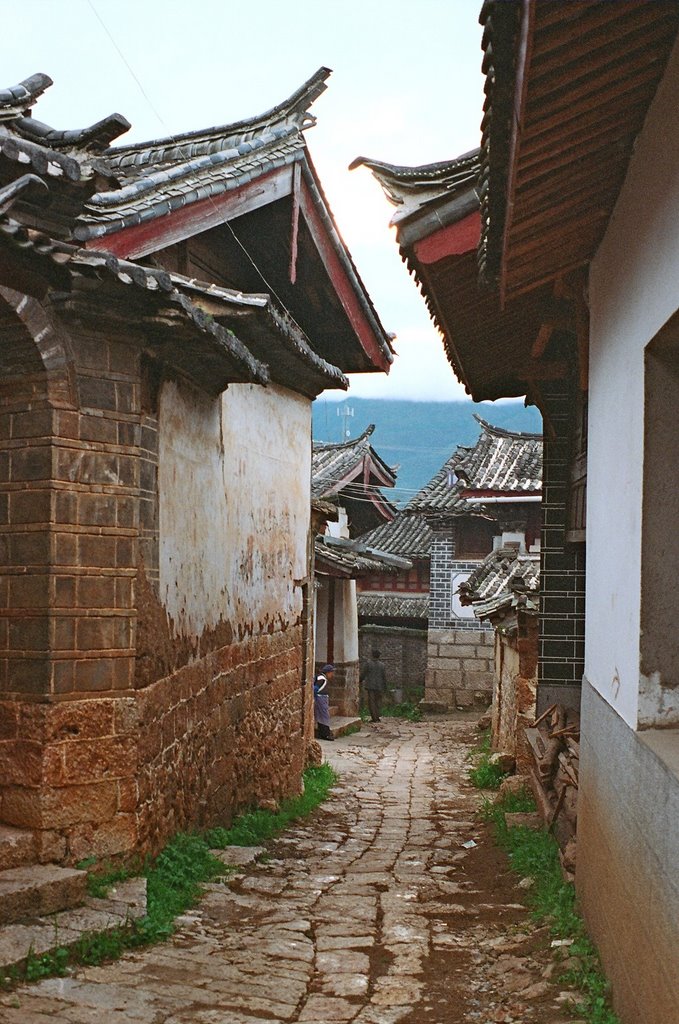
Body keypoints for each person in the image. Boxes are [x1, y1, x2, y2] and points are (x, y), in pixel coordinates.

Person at [360, 649, 387, 722]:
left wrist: (359, 680)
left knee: (371, 702)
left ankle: (374, 718)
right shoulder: (382, 665)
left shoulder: (368, 663)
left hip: (370, 686)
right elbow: (384, 677)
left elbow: (363, 674)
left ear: (372, 655)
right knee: (378, 702)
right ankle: (377, 717)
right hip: (379, 686)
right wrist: (385, 687)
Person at [314, 664, 335, 741]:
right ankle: (325, 734)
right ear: (328, 672)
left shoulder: (321, 677)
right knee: (323, 716)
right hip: (320, 699)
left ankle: (322, 733)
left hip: (321, 699)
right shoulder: (322, 679)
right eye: (331, 673)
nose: (332, 675)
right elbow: (315, 688)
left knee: (321, 716)